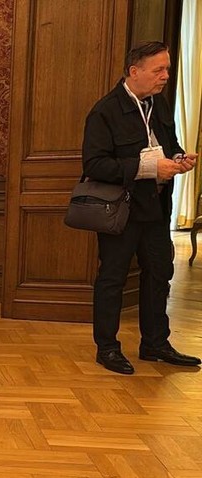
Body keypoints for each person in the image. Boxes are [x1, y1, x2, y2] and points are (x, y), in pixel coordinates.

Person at [82, 41, 199, 375]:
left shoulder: (158, 104)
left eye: (167, 69)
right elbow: (95, 164)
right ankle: (107, 348)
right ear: (134, 71)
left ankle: (155, 343)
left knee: (159, 275)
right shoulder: (105, 111)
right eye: (158, 70)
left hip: (156, 207)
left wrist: (178, 158)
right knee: (112, 278)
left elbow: (168, 144)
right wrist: (148, 168)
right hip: (122, 209)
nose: (166, 76)